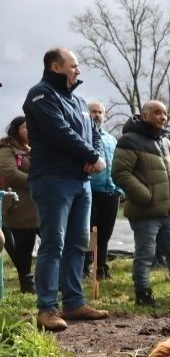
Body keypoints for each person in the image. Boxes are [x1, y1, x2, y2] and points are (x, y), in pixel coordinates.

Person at [22, 47, 109, 331]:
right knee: (53, 243)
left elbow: (95, 133)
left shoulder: (80, 101)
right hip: (52, 179)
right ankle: (47, 308)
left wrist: (94, 154)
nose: (79, 70)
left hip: (80, 182)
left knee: (77, 243)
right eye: (74, 65)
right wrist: (90, 156)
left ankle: (74, 303)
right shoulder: (41, 95)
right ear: (56, 66)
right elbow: (59, 132)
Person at [111, 101, 170, 306]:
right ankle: (142, 292)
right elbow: (120, 173)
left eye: (164, 113)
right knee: (145, 254)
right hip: (145, 212)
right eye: (157, 113)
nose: (163, 117)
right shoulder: (129, 140)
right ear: (145, 116)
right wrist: (145, 195)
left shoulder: (165, 141)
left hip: (168, 211)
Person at [83, 101, 122, 280]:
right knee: (89, 232)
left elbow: (118, 164)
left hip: (111, 192)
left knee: (105, 233)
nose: (97, 115)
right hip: (92, 190)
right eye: (93, 111)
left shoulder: (111, 139)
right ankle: (85, 267)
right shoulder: (84, 136)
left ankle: (101, 267)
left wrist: (119, 188)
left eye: (100, 112)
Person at [0, 116, 38, 292]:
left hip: (40, 203)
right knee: (23, 246)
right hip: (19, 205)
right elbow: (11, 174)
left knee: (53, 241)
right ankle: (27, 282)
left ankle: (52, 278)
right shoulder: (6, 149)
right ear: (16, 129)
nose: (29, 129)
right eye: (25, 127)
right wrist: (38, 181)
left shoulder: (36, 147)